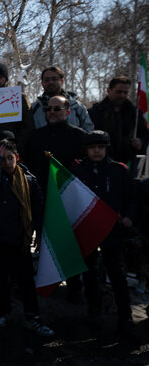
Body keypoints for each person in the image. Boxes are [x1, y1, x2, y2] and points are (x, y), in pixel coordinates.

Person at [0, 139, 53, 337]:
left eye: (10, 158)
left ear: (17, 158)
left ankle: (32, 315)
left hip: (21, 239)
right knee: (2, 280)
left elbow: (38, 207)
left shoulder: (29, 180)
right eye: (3, 159)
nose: (7, 163)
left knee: (26, 280)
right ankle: (3, 310)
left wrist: (39, 232)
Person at [70, 130, 138, 341]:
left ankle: (125, 317)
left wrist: (129, 217)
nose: (97, 151)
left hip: (113, 232)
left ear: (106, 148)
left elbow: (131, 198)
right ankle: (94, 311)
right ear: (86, 150)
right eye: (92, 147)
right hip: (87, 231)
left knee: (117, 274)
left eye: (101, 147)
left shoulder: (118, 171)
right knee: (90, 274)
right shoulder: (77, 171)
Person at [25, 95, 86, 191]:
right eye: (48, 109)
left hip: (70, 190)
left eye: (57, 109)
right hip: (42, 191)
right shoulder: (35, 136)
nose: (52, 112)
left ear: (68, 112)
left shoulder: (79, 136)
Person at [88, 76, 148, 165]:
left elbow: (145, 134)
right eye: (118, 92)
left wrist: (141, 143)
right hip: (102, 162)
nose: (122, 95)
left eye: (125, 93)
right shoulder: (95, 112)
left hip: (128, 162)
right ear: (109, 91)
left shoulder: (135, 113)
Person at [31, 66, 93, 132]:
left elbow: (88, 130)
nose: (51, 82)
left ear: (62, 81)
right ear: (42, 83)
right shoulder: (33, 109)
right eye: (47, 80)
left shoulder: (77, 107)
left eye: (54, 79)